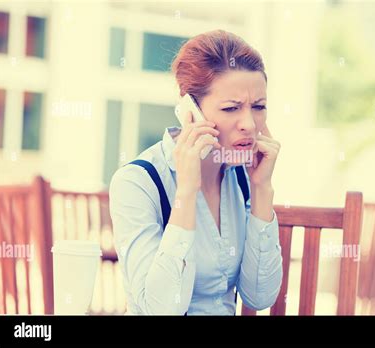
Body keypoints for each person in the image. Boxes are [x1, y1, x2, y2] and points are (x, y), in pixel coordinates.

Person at [109, 29, 282, 315]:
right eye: (231, 108)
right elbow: (160, 310)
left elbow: (259, 296)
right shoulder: (136, 182)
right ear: (190, 109)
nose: (249, 124)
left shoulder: (244, 176)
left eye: (259, 107)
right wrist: (186, 192)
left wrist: (262, 188)